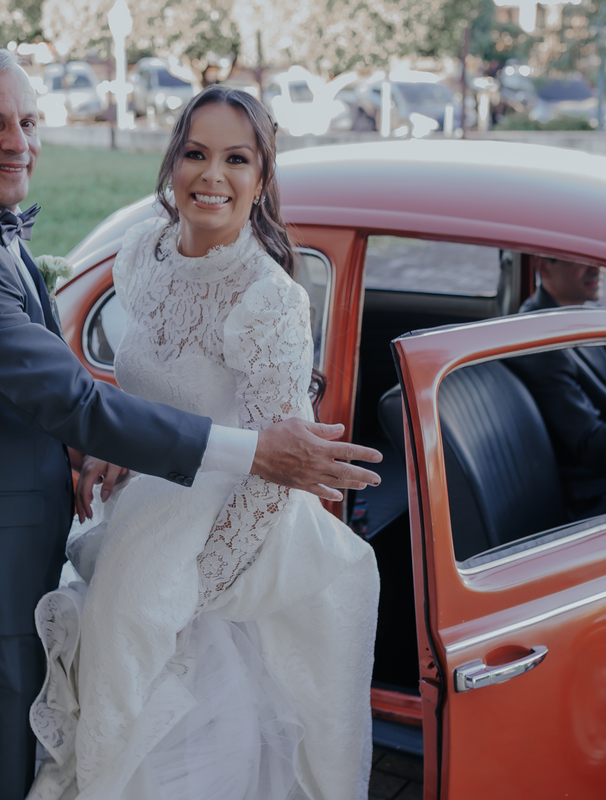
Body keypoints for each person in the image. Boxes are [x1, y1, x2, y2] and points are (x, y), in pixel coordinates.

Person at [0, 48, 381, 800]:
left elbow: (44, 393)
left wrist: (99, 456)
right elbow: (73, 399)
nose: (17, 141)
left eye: (27, 122)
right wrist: (254, 452)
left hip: (164, 550)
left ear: (263, 176)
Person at [25, 86, 381, 800]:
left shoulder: (269, 300)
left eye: (236, 159)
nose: (212, 175)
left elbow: (275, 475)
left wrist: (190, 594)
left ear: (262, 178)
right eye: (196, 153)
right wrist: (120, 441)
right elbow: (145, 387)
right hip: (138, 519)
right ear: (172, 163)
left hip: (219, 546)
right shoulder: (143, 253)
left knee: (172, 750)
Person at [505, 258, 606, 517]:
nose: (597, 267)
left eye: (600, 256)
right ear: (544, 267)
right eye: (582, 258)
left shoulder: (590, 312)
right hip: (598, 495)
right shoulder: (538, 342)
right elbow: (590, 445)